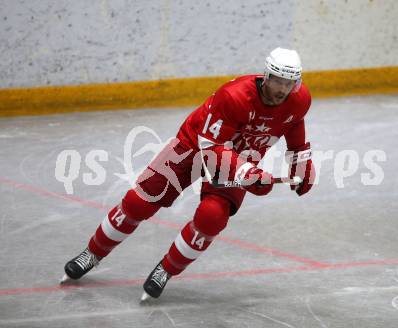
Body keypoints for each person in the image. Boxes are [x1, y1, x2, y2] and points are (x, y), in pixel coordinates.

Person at [61, 47, 316, 300]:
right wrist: (247, 171)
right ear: (267, 77)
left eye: (290, 83)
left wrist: (301, 164)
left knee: (212, 217)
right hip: (195, 144)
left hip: (240, 156)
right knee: (140, 200)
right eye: (279, 82)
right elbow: (211, 148)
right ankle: (92, 253)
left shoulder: (299, 98)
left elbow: (294, 128)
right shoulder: (234, 96)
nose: (283, 90)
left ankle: (166, 270)